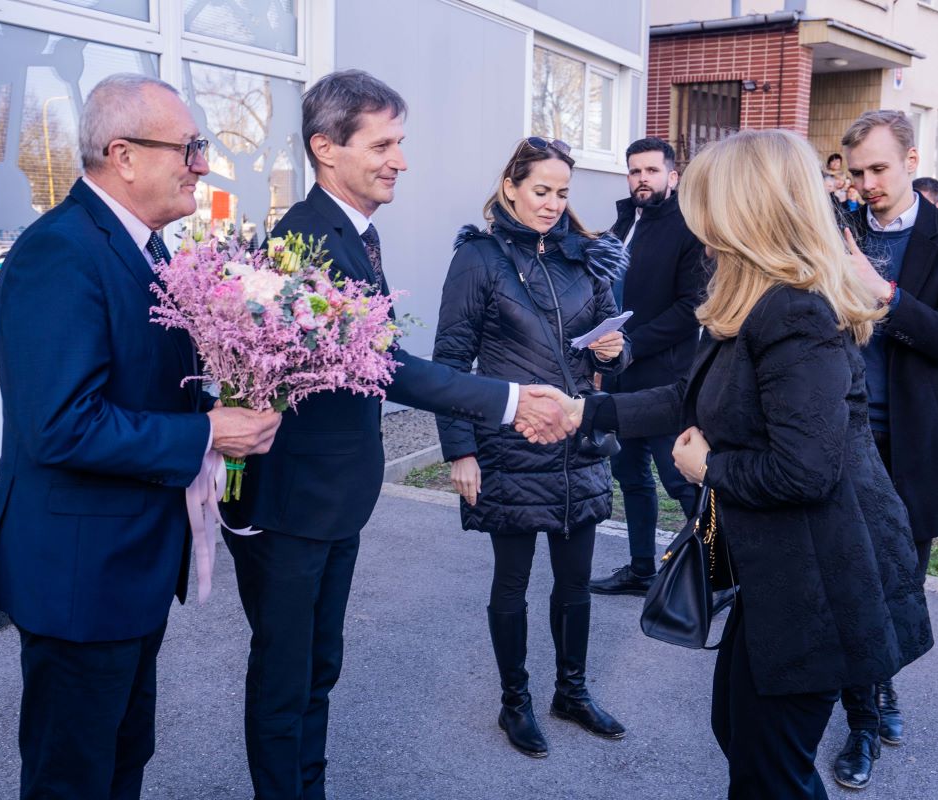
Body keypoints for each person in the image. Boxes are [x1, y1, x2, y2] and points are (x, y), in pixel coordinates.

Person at [525, 128, 934, 799]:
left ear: (746, 210)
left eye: (706, 203)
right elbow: (689, 395)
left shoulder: (797, 315)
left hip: (819, 583)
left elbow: (805, 472)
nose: (696, 222)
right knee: (743, 736)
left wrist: (707, 467)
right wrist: (583, 411)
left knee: (767, 770)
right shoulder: (757, 303)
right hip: (778, 576)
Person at [219, 71, 575, 800]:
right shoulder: (307, 241)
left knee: (317, 668)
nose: (400, 161)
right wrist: (511, 400)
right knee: (287, 679)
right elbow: (387, 368)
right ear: (326, 148)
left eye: (399, 143)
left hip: (330, 500)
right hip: (293, 505)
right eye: (383, 145)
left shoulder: (352, 233)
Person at [0, 74, 285, 799]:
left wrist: (226, 392)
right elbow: (61, 425)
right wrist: (207, 430)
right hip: (80, 575)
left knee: (121, 759)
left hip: (126, 568)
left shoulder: (145, 249)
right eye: (189, 148)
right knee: (73, 778)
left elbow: (139, 381)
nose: (202, 165)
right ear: (122, 155)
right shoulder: (60, 252)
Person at [431, 136, 630, 759]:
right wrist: (461, 450)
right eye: (541, 190)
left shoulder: (585, 258)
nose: (552, 204)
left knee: (575, 583)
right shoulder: (479, 258)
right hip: (510, 447)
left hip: (578, 443)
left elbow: (614, 354)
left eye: (562, 193)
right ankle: (514, 702)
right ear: (510, 187)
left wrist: (614, 353)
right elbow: (449, 362)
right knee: (512, 583)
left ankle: (571, 691)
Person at [833, 109, 938, 791]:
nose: (867, 183)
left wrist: (885, 294)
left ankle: (882, 682)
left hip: (911, 445)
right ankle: (863, 721)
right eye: (857, 172)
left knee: (900, 582)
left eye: (879, 168)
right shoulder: (833, 228)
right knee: (850, 581)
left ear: (910, 161)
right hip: (838, 436)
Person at [589, 137, 706, 597]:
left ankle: (711, 577)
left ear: (672, 176)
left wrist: (632, 345)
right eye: (635, 171)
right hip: (619, 377)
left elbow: (691, 307)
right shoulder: (621, 224)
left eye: (652, 171)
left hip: (666, 381)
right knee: (631, 478)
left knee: (682, 481)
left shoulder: (689, 228)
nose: (642, 179)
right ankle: (642, 570)